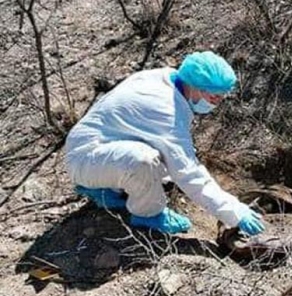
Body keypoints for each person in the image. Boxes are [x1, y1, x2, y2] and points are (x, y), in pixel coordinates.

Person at [65, 51, 265, 236]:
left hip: (97, 145)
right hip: (86, 158)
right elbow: (189, 174)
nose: (215, 103)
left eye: (221, 98)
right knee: (145, 160)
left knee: (164, 160)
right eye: (213, 97)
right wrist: (235, 212)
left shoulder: (168, 78)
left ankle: (106, 187)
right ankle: (148, 215)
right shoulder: (166, 111)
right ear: (195, 87)